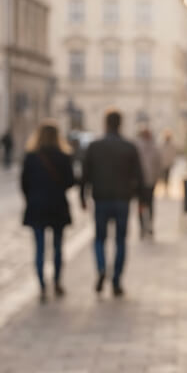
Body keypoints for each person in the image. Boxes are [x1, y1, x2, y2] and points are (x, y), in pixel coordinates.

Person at [80, 109, 142, 297]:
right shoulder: (129, 147)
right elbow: (138, 176)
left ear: (105, 123)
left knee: (100, 239)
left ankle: (101, 268)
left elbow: (85, 175)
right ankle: (116, 280)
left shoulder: (95, 146)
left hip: (101, 199)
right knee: (121, 241)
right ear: (120, 124)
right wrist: (141, 200)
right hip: (123, 200)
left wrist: (82, 197)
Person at [20, 120, 76, 302]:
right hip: (57, 206)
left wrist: (32, 198)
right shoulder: (63, 156)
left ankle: (42, 285)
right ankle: (57, 281)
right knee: (58, 247)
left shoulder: (31, 157)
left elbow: (24, 184)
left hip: (37, 207)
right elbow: (70, 182)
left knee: (40, 248)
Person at [134, 128, 162, 239]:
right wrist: (157, 176)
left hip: (141, 181)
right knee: (149, 203)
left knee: (142, 204)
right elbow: (158, 164)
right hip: (150, 180)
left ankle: (143, 226)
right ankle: (148, 225)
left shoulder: (137, 147)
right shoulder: (154, 147)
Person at [158, 130, 177, 194]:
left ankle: (166, 188)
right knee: (164, 176)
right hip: (163, 163)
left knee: (167, 176)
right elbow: (160, 153)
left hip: (168, 163)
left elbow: (173, 154)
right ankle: (165, 187)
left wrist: (172, 162)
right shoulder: (162, 144)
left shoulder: (172, 145)